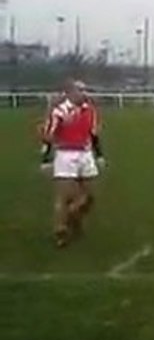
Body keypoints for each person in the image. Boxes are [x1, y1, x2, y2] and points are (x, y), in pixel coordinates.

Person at [40, 79, 104, 247]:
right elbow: (47, 136)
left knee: (89, 197)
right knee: (65, 196)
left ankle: (73, 219)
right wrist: (46, 158)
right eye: (79, 90)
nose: (83, 93)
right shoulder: (59, 111)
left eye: (84, 90)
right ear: (69, 93)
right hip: (65, 154)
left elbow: (94, 133)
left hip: (86, 154)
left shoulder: (89, 110)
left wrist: (99, 155)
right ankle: (61, 230)